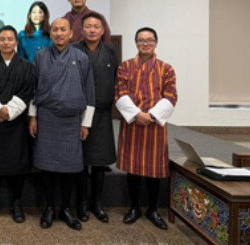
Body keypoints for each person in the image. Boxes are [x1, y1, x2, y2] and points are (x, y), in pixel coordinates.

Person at [28, 18, 95, 231]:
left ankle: (66, 208)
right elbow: (33, 89)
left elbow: (90, 93)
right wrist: (33, 117)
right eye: (55, 29)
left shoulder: (81, 58)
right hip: (47, 117)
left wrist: (86, 124)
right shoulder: (40, 56)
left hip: (72, 121)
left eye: (63, 29)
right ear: (51, 33)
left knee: (69, 168)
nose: (59, 33)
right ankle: (49, 207)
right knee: (47, 168)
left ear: (71, 34)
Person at [115, 27, 177, 230]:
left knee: (154, 169)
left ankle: (153, 209)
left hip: (154, 126)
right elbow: (120, 92)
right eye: (141, 40)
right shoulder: (125, 66)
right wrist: (137, 114)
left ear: (156, 43)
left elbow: (171, 96)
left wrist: (151, 115)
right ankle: (134, 207)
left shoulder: (166, 69)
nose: (145, 43)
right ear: (136, 43)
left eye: (149, 40)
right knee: (132, 169)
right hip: (132, 124)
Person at [0, 26, 35, 223]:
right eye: (2, 39)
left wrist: (9, 111)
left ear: (16, 42)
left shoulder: (27, 66)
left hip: (17, 123)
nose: (6, 42)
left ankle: (17, 202)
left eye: (10, 39)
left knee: (17, 162)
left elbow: (27, 91)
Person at [72, 12, 118, 223]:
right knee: (80, 162)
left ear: (102, 30)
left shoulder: (110, 51)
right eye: (88, 26)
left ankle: (96, 203)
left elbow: (116, 79)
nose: (92, 30)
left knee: (100, 163)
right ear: (81, 30)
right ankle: (81, 203)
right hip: (79, 114)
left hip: (102, 114)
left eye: (96, 26)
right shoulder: (73, 50)